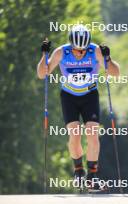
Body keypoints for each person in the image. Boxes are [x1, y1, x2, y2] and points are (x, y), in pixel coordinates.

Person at [37, 24, 120, 191]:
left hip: (90, 96)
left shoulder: (95, 50)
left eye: (84, 50)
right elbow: (41, 74)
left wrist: (108, 59)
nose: (80, 53)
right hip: (69, 97)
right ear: (71, 44)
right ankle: (79, 172)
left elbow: (115, 73)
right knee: (75, 135)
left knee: (92, 135)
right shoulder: (61, 52)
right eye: (77, 50)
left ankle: (92, 176)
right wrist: (44, 55)